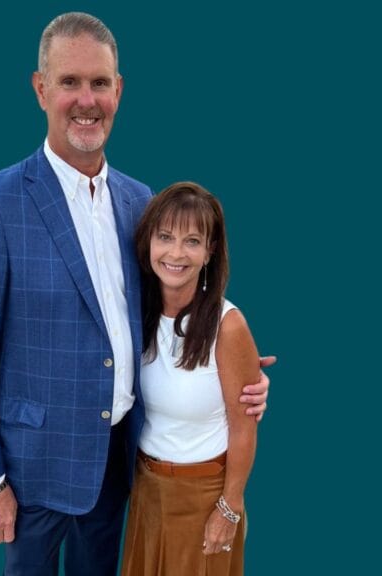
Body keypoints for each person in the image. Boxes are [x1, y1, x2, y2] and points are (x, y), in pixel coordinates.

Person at [0, 12, 273, 576]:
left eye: (99, 82)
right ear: (40, 88)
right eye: (69, 82)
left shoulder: (137, 201)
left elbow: (163, 308)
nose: (86, 100)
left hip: (118, 462)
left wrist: (234, 366)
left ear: (118, 90)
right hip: (32, 473)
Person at [120, 182, 260, 576]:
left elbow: (244, 429)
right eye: (165, 237)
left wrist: (230, 509)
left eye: (192, 241)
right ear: (149, 242)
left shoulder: (227, 326)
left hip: (204, 499)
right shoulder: (135, 315)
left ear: (209, 252)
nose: (176, 253)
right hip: (147, 493)